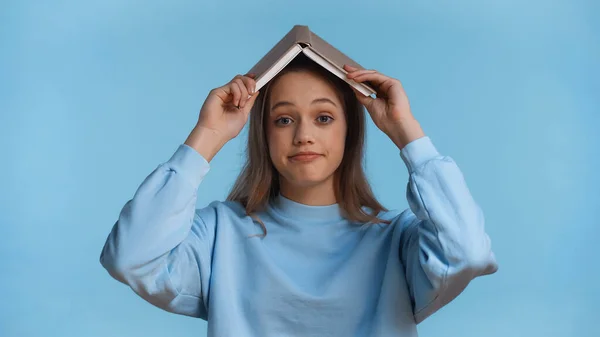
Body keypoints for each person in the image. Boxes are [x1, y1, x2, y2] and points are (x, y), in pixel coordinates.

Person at [100, 54, 498, 336]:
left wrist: (405, 130)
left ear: (349, 131)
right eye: (284, 119)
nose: (303, 134)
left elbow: (467, 252)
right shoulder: (219, 233)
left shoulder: (396, 238)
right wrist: (208, 135)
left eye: (323, 118)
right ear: (264, 134)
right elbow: (130, 258)